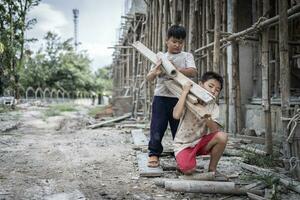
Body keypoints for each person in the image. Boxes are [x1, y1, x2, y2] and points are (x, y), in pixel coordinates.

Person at [146, 25, 197, 167]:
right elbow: (149, 77)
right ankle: (154, 154)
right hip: (161, 97)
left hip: (179, 98)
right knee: (157, 126)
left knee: (179, 129)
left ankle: (180, 156)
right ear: (166, 41)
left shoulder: (187, 56)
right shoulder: (161, 57)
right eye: (174, 41)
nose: (177, 45)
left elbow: (193, 72)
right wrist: (155, 73)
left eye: (180, 42)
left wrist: (176, 70)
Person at [172, 71, 228, 174]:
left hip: (200, 143)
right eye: (210, 86)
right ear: (201, 84)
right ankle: (183, 164)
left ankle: (212, 169)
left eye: (217, 90)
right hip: (183, 144)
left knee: (222, 136)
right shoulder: (190, 99)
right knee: (189, 170)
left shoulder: (213, 107)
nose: (213, 91)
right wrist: (184, 92)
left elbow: (214, 131)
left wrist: (205, 114)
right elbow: (176, 115)